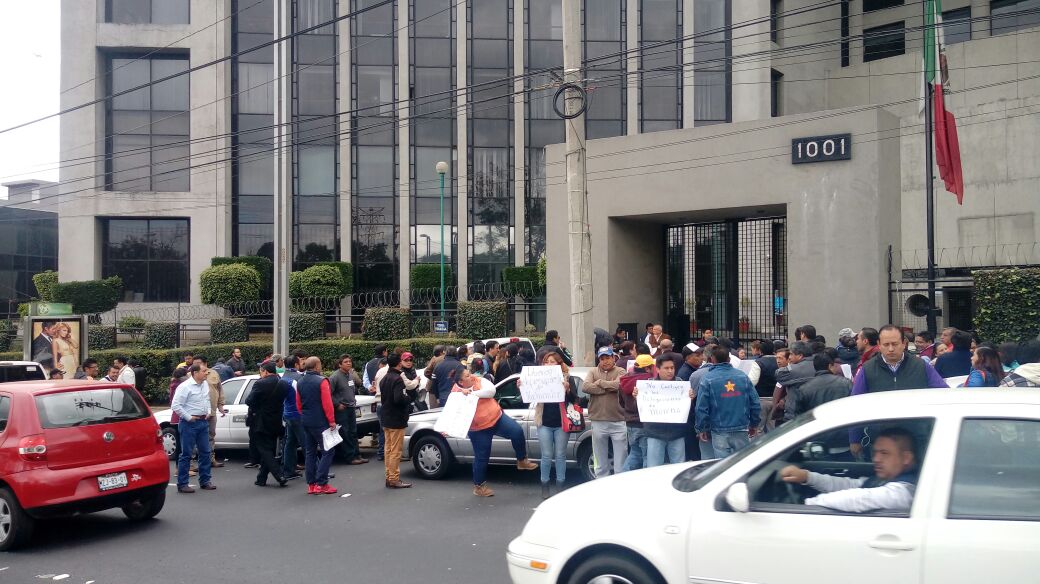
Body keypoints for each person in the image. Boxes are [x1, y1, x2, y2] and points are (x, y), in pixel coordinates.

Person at [781, 428, 919, 513]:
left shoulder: (904, 492)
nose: (876, 459)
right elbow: (850, 485)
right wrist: (807, 476)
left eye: (884, 453)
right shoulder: (885, 480)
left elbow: (859, 499)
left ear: (906, 457)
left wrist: (806, 506)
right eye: (875, 452)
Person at [453, 368, 538, 497]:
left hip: (497, 418)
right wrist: (462, 393)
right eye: (467, 375)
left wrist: (472, 393)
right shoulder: (456, 392)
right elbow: (452, 409)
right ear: (460, 381)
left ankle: (522, 460)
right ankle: (479, 486)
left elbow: (491, 391)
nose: (471, 375)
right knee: (482, 457)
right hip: (478, 429)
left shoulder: (480, 380)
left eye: (469, 372)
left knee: (517, 431)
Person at [694, 346, 761, 458]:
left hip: (719, 430)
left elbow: (701, 407)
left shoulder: (707, 379)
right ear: (729, 359)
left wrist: (702, 428)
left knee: (722, 466)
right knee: (742, 462)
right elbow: (755, 402)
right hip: (741, 427)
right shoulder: (742, 376)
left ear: (712, 360)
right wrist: (754, 424)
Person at [528, 351, 577, 498]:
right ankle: (545, 484)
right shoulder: (538, 378)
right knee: (547, 455)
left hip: (562, 422)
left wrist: (567, 389)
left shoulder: (568, 378)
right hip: (544, 422)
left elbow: (576, 399)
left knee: (560, 455)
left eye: (552, 361)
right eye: (546, 361)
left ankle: (560, 485)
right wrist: (522, 385)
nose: (549, 364)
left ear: (559, 364)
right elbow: (528, 393)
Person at [636, 356, 693, 467]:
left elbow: (688, 410)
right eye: (666, 368)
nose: (670, 371)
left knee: (678, 468)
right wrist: (637, 397)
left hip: (677, 433)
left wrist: (690, 398)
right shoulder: (648, 385)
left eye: (672, 368)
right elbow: (640, 409)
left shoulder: (681, 384)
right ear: (657, 369)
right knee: (654, 468)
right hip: (654, 433)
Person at [295, 357, 338, 495]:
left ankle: (311, 484)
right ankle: (322, 483)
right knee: (328, 451)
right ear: (316, 366)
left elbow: (299, 404)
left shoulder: (300, 381)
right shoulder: (322, 381)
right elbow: (327, 403)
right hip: (320, 421)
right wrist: (331, 421)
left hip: (306, 420)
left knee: (310, 452)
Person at [583, 346, 628, 478]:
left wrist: (600, 383)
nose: (605, 361)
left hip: (618, 421)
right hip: (598, 421)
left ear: (613, 358)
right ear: (599, 360)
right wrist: (609, 387)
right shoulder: (592, 371)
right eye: (602, 358)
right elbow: (586, 387)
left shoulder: (621, 370)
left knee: (621, 460)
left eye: (607, 358)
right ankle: (600, 484)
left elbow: (620, 385)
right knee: (600, 460)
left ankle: (620, 485)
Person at [171, 364, 216, 493]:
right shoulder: (185, 386)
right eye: (203, 371)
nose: (206, 374)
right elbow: (176, 405)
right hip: (189, 423)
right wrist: (188, 417)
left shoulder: (204, 384)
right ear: (195, 373)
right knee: (186, 454)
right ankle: (183, 483)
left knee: (205, 452)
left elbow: (207, 399)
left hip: (202, 422)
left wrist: (207, 411)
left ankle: (205, 480)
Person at [245, 363, 288, 487]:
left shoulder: (260, 383)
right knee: (268, 449)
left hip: (261, 421)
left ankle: (279, 475)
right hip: (276, 420)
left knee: (264, 450)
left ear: (265, 371)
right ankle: (261, 478)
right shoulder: (283, 382)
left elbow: (249, 401)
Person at [380, 353, 417, 489]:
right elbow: (398, 399)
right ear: (399, 363)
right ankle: (394, 478)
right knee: (396, 450)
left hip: (386, 416)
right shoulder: (397, 379)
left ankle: (389, 476)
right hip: (396, 418)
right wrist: (408, 399)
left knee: (388, 449)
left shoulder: (384, 378)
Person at [784, 352, 852, 421]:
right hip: (842, 425)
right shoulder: (846, 383)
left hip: (817, 427)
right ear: (830, 366)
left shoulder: (804, 389)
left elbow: (797, 415)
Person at [619, 354, 656, 471]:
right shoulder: (648, 382)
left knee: (635, 454)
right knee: (647, 457)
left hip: (630, 423)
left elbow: (621, 403)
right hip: (643, 423)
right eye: (652, 367)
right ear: (647, 368)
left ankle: (621, 478)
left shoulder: (625, 379)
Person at [330, 354, 367, 465]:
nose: (349, 363)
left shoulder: (350, 375)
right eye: (346, 362)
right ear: (340, 364)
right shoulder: (335, 377)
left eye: (350, 361)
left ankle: (357, 455)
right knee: (345, 433)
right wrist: (337, 404)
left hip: (351, 408)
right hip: (342, 410)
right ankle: (350, 457)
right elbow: (328, 393)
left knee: (353, 432)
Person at [280, 355, 306, 480]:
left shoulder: (283, 377)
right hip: (298, 414)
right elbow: (302, 397)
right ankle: (318, 470)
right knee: (307, 443)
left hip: (288, 414)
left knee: (290, 443)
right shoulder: (298, 378)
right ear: (296, 365)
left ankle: (288, 470)